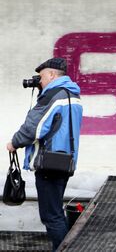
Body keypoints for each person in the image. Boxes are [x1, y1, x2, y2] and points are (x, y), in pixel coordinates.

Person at [6, 57, 83, 251]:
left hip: (49, 163)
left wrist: (14, 142)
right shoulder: (71, 95)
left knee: (51, 216)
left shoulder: (53, 96)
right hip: (65, 162)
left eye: (41, 77)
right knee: (56, 211)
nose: (38, 80)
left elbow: (34, 128)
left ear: (51, 74)